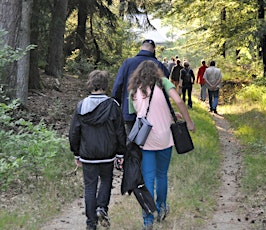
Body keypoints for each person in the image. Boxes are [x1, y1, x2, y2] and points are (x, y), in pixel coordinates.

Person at [127, 60, 195, 229]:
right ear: (156, 71)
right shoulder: (163, 83)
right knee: (161, 175)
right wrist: (188, 121)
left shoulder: (134, 89)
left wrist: (169, 115)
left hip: (145, 139)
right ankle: (161, 207)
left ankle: (148, 219)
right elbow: (179, 101)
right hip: (164, 137)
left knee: (148, 178)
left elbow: (138, 113)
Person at [69, 70, 126, 230]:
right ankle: (102, 207)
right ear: (105, 85)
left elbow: (74, 131)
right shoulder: (113, 105)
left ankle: (90, 223)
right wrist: (121, 153)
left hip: (88, 154)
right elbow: (120, 131)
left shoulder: (81, 105)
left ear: (90, 83)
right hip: (107, 154)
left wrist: (76, 152)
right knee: (106, 181)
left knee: (89, 186)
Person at [112, 39, 170, 134]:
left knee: (130, 140)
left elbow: (118, 85)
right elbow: (165, 87)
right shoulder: (158, 65)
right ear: (153, 50)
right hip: (151, 112)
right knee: (148, 143)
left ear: (141, 48)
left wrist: (117, 103)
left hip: (129, 110)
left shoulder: (128, 63)